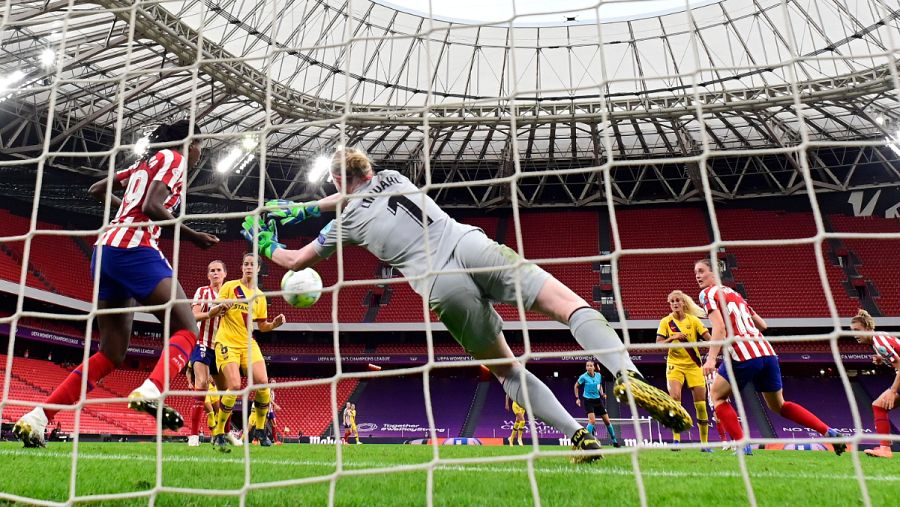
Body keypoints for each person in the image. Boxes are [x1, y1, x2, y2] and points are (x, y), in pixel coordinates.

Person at [242, 147, 691, 461]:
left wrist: (266, 239)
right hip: (473, 247)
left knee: (508, 369)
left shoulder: (349, 222)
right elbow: (355, 189)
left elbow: (295, 259)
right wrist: (310, 207)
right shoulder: (395, 178)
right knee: (568, 305)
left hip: (441, 288)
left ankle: (577, 436)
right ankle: (626, 375)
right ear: (369, 170)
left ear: (338, 180)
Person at [13, 120, 218, 448]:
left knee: (111, 353)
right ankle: (151, 391)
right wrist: (192, 235)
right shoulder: (174, 160)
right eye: (198, 145)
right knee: (188, 328)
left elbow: (97, 189)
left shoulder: (144, 162)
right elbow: (152, 206)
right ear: (187, 143)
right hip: (133, 246)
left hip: (104, 248)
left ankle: (38, 417)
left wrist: (123, 210)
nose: (199, 153)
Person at [695, 259, 846, 456]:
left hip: (744, 353)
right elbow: (762, 325)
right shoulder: (736, 295)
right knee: (779, 405)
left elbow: (720, 327)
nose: (697, 276)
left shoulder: (707, 293)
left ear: (714, 273)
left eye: (701, 271)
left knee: (717, 396)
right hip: (766, 352)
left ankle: (742, 445)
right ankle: (829, 432)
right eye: (695, 272)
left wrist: (711, 358)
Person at [210, 253, 285, 451]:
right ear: (241, 267)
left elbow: (262, 327)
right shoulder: (229, 287)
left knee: (263, 383)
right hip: (226, 341)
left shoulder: (260, 297)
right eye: (245, 264)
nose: (248, 267)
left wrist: (274, 324)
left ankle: (260, 431)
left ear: (258, 269)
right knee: (234, 384)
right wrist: (220, 307)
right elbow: (213, 310)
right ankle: (219, 432)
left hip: (248, 343)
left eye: (252, 264)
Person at [657, 290, 712, 452]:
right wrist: (672, 338)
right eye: (672, 301)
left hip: (694, 365)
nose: (674, 303)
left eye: (677, 301)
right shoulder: (665, 322)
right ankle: (676, 440)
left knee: (701, 405)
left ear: (683, 303)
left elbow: (709, 339)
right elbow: (658, 344)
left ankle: (705, 444)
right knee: (675, 399)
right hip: (675, 365)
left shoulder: (693, 321)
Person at [187, 260, 230, 447]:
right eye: (211, 270)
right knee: (202, 384)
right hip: (202, 343)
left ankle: (224, 434)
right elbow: (193, 315)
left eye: (218, 270)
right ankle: (193, 436)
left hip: (221, 347)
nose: (215, 273)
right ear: (207, 275)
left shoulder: (231, 295)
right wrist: (211, 314)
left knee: (227, 391)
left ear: (225, 274)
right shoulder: (202, 292)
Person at [850, 309, 899, 458]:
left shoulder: (880, 342)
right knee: (878, 406)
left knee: (878, 406)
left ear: (868, 328)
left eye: (858, 330)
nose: (855, 334)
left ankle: (885, 449)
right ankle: (884, 448)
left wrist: (893, 391)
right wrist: (881, 359)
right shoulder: (879, 341)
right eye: (852, 331)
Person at [575, 361, 620, 448]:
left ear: (594, 367)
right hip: (588, 401)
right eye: (587, 366)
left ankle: (614, 441)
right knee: (592, 421)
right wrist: (577, 398)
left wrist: (602, 393)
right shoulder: (583, 377)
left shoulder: (598, 375)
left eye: (590, 366)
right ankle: (586, 442)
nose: (589, 367)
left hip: (598, 401)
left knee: (607, 421)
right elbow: (576, 386)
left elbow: (599, 386)